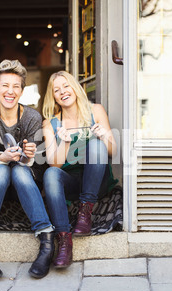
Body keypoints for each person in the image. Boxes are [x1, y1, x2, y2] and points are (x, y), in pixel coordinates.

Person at [0, 59, 54, 280]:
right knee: (1, 171)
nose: (10, 91)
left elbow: (39, 163)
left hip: (24, 181)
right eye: (5, 85)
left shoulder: (32, 117)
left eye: (16, 86)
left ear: (22, 90)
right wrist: (4, 157)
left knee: (17, 171)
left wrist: (28, 156)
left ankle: (47, 243)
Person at [41, 71, 117, 268]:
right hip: (72, 183)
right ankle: (64, 240)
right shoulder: (50, 124)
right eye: (57, 90)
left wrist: (104, 136)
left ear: (75, 87)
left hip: (96, 182)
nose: (63, 92)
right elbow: (53, 164)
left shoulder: (96, 111)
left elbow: (113, 151)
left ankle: (85, 213)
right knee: (50, 174)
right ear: (53, 97)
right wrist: (64, 143)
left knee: (97, 145)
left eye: (66, 86)